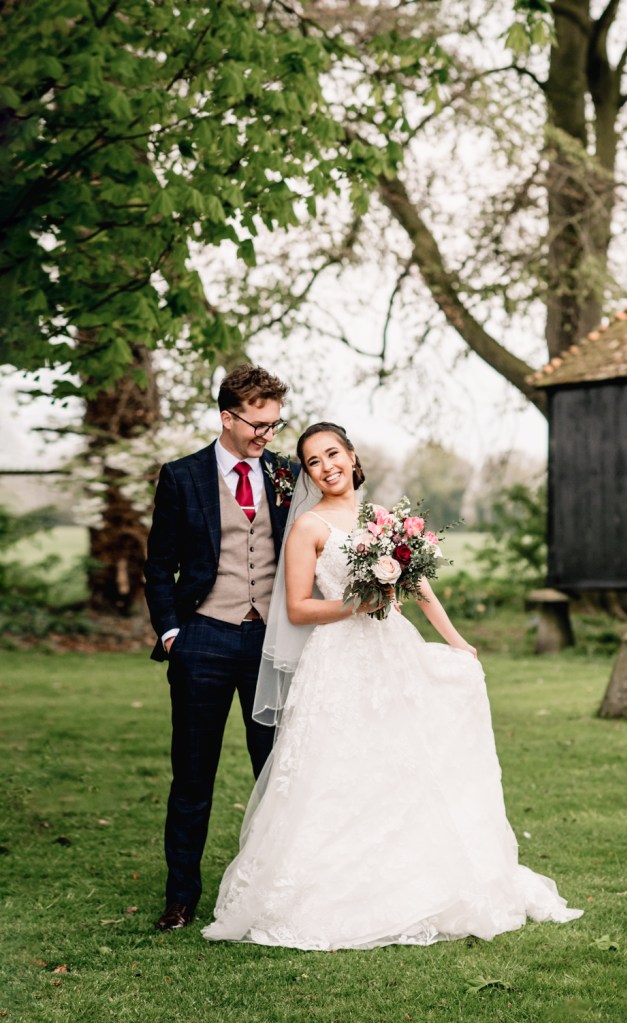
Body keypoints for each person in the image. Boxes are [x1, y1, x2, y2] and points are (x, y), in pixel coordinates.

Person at [202, 422, 582, 950]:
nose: (326, 466)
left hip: (392, 652)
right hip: (337, 661)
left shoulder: (384, 521)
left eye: (333, 453)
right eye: (313, 461)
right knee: (338, 768)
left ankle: (414, 877)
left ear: (352, 456)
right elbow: (297, 608)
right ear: (307, 473)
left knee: (404, 761)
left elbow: (420, 586)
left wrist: (458, 641)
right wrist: (358, 603)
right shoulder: (308, 527)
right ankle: (327, 889)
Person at [144, 364, 298, 932]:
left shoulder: (285, 474)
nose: (266, 435)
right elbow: (159, 566)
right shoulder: (182, 476)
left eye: (274, 425)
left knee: (274, 775)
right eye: (258, 424)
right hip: (203, 638)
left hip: (269, 642)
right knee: (192, 779)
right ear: (227, 416)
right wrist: (171, 632)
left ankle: (271, 896)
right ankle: (181, 898)